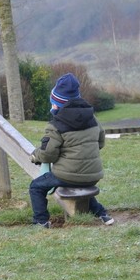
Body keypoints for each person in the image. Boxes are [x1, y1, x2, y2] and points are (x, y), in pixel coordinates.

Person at [29, 73, 114, 227]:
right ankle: (103, 214)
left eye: (53, 103)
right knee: (80, 184)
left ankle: (40, 221)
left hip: (67, 175)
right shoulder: (92, 118)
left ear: (57, 104)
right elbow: (100, 142)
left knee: (36, 187)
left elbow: (48, 154)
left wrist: (36, 156)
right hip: (93, 175)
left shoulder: (56, 125)